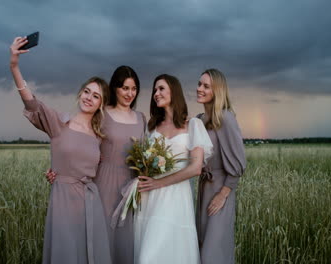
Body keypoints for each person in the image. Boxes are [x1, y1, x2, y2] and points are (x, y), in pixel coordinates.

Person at [9, 36, 112, 264]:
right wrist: (14, 66)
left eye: (96, 96)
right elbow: (32, 104)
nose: (89, 98)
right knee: (65, 254)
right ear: (80, 94)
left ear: (100, 104)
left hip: (90, 202)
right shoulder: (59, 123)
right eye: (87, 92)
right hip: (63, 202)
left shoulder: (99, 136)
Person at [45, 66, 145, 264]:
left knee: (125, 242)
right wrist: (60, 170)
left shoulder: (141, 118)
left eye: (133, 89)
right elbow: (79, 144)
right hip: (102, 185)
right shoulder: (102, 114)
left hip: (130, 188)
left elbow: (143, 153)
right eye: (125, 88)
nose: (129, 93)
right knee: (100, 241)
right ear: (114, 88)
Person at [136, 74, 213, 264]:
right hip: (150, 197)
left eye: (161, 88)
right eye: (155, 90)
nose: (156, 93)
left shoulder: (193, 125)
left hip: (176, 198)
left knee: (169, 252)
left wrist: (159, 182)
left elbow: (196, 168)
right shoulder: (152, 127)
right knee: (147, 254)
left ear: (174, 91)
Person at [195, 69, 246, 264]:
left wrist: (223, 194)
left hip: (220, 190)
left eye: (206, 86)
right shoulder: (200, 119)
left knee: (213, 251)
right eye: (199, 84)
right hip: (203, 188)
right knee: (202, 246)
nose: (200, 89)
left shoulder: (225, 118)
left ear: (218, 91)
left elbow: (239, 163)